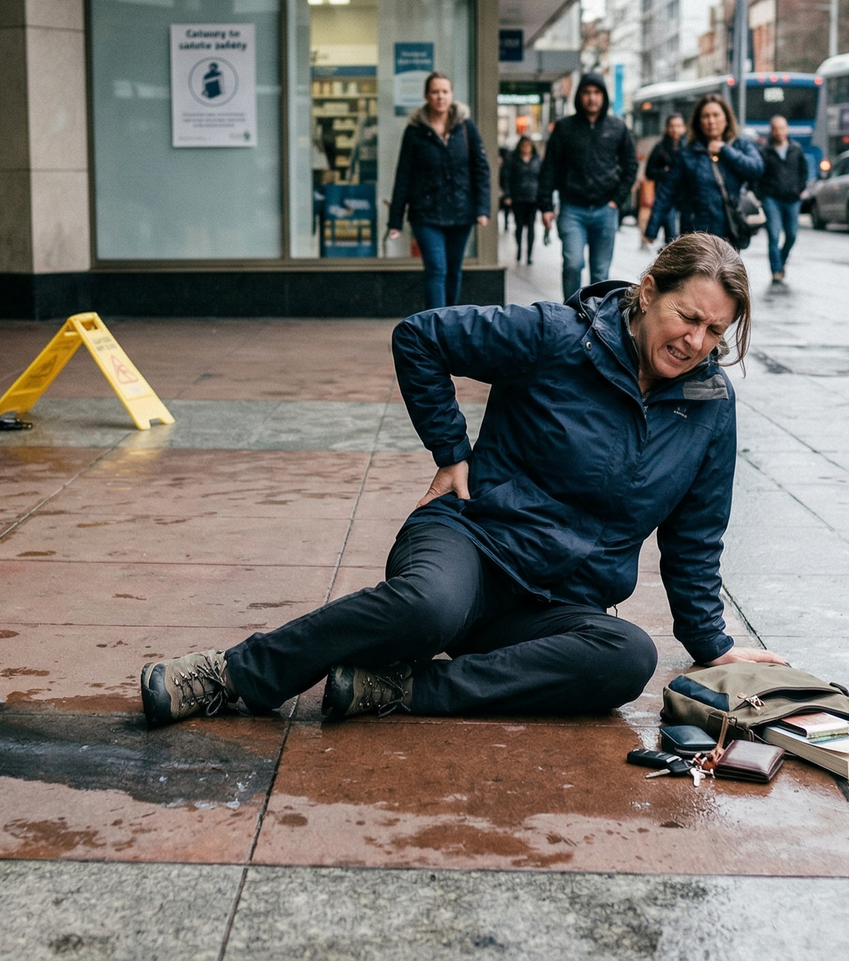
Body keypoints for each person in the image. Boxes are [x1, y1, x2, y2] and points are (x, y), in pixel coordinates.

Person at [139, 233, 787, 727]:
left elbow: (695, 536)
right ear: (648, 292)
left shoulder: (708, 407)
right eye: (687, 316)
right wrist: (451, 451)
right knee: (428, 606)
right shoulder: (560, 338)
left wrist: (712, 645)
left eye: (714, 331)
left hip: (554, 603)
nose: (695, 340)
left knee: (627, 655)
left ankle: (395, 689)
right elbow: (421, 338)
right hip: (470, 542)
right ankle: (233, 673)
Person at [386, 73, 491, 309]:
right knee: (436, 269)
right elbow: (403, 175)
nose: (440, 97)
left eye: (445, 91)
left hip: (460, 211)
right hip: (426, 213)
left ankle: (448, 324)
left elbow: (481, 168)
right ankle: (435, 330)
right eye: (435, 92)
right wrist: (395, 221)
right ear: (426, 96)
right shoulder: (415, 130)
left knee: (453, 271)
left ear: (452, 95)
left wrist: (483, 207)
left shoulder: (466, 127)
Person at [538, 72, 638, 300]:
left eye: (597, 93)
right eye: (587, 92)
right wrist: (545, 205)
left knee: (601, 273)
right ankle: (571, 315)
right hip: (573, 209)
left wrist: (617, 200)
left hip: (606, 208)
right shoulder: (564, 128)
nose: (592, 98)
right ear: (579, 96)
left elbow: (630, 166)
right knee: (573, 263)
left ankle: (596, 320)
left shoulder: (617, 127)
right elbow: (549, 168)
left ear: (603, 97)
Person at [642, 95, 763, 250]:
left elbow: (756, 168)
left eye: (716, 115)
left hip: (729, 229)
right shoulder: (687, 151)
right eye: (705, 116)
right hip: (696, 231)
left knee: (726, 273)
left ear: (726, 118)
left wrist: (725, 150)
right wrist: (652, 228)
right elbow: (667, 190)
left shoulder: (739, 144)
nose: (711, 121)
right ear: (698, 122)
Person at [757, 116, 809, 284]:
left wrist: (800, 189)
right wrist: (760, 196)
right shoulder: (764, 152)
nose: (779, 132)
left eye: (782, 128)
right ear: (771, 131)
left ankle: (781, 260)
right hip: (772, 199)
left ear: (787, 129)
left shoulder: (796, 149)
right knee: (774, 235)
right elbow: (757, 176)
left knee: (792, 235)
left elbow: (804, 171)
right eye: (775, 128)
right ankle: (776, 270)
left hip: (793, 199)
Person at [643, 113, 688, 245]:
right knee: (671, 236)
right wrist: (664, 172)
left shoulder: (689, 147)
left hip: (685, 198)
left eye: (678, 126)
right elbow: (649, 172)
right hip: (666, 197)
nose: (675, 129)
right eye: (672, 126)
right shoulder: (660, 148)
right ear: (667, 128)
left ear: (684, 127)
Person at [499, 137, 544, 264]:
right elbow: (506, 178)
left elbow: (542, 178)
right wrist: (507, 195)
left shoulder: (537, 160)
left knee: (531, 226)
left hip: (533, 198)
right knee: (519, 226)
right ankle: (519, 249)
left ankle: (529, 254)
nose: (526, 148)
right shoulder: (513, 160)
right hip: (518, 197)